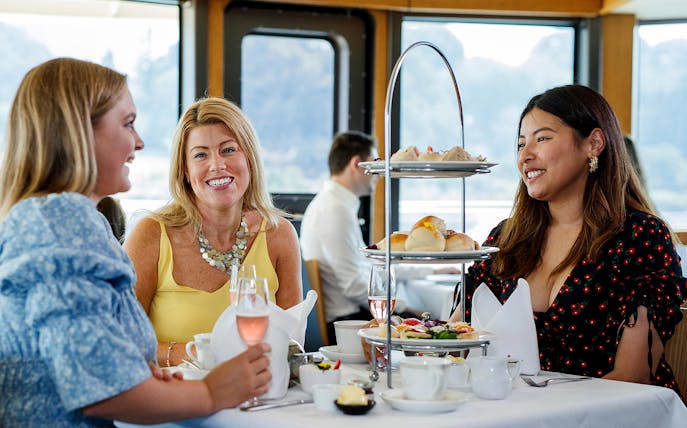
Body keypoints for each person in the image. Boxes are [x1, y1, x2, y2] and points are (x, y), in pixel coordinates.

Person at [0, 58, 271, 426]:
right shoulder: (58, 224)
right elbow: (103, 391)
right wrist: (212, 392)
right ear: (79, 132)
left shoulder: (79, 222)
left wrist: (139, 372)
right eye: (128, 124)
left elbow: (93, 357)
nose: (139, 142)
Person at [454, 84, 686, 393]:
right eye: (521, 143)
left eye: (543, 139)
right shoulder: (506, 238)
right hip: (514, 413)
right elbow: (453, 343)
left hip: (611, 416)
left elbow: (632, 378)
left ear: (593, 143)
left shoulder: (639, 237)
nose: (526, 154)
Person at [124, 97, 302, 366]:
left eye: (228, 150)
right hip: (176, 398)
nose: (217, 165)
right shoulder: (151, 234)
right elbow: (123, 339)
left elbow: (291, 346)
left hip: (258, 398)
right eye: (200, 155)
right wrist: (187, 354)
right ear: (185, 170)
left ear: (249, 158)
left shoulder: (280, 235)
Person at [300, 131, 425, 341]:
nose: (378, 174)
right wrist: (405, 308)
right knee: (428, 325)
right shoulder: (334, 210)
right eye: (374, 164)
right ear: (356, 163)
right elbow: (353, 285)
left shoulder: (336, 205)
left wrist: (424, 269)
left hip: (353, 314)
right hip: (346, 323)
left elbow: (368, 267)